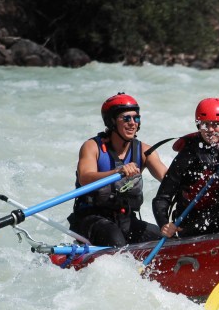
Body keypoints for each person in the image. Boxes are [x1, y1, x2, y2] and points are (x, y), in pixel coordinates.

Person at [68, 92, 168, 247]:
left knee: (163, 240)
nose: (132, 123)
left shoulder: (144, 151)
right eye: (126, 118)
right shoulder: (92, 147)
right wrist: (117, 172)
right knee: (115, 239)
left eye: (136, 118)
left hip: (125, 219)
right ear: (112, 121)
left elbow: (167, 177)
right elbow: (85, 177)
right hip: (91, 219)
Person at [152, 98, 219, 238]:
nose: (211, 130)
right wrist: (164, 224)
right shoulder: (187, 155)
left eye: (216, 125)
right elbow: (161, 198)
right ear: (198, 126)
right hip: (191, 220)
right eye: (205, 124)